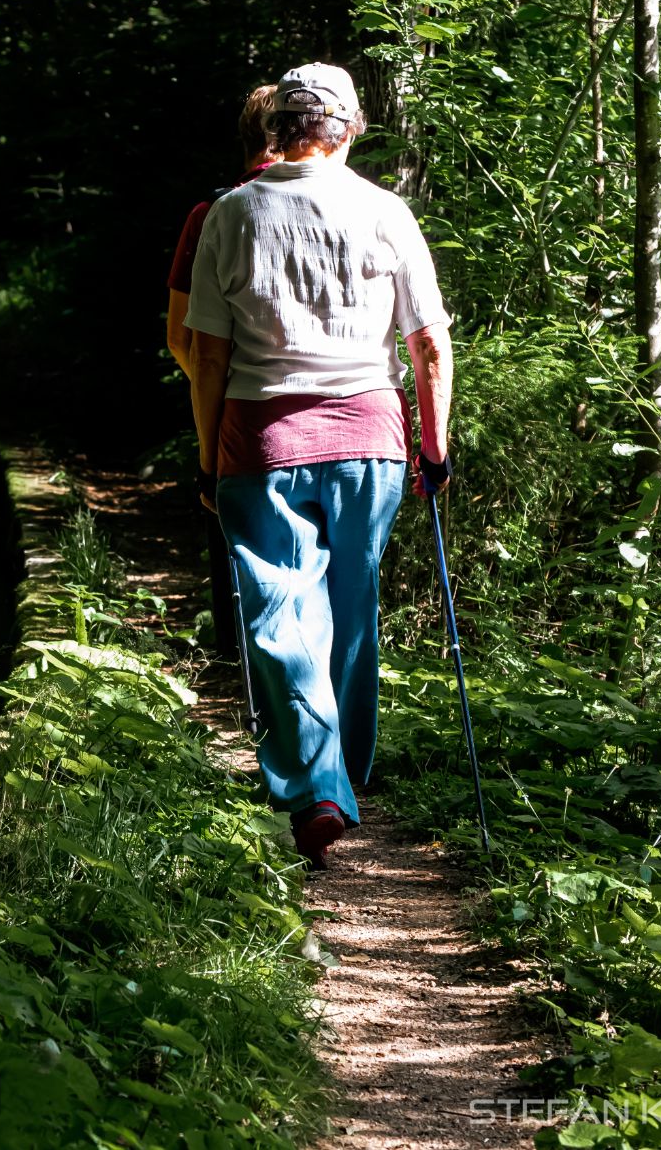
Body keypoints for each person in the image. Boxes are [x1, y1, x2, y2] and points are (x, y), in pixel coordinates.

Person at [183, 62, 454, 867]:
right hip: (371, 436)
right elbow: (429, 344)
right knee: (351, 603)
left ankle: (318, 782)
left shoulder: (232, 214)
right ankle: (342, 774)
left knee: (280, 612)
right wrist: (434, 447)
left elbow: (207, 356)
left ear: (279, 129)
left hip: (262, 438)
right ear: (348, 129)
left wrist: (207, 458)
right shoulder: (386, 210)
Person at [167, 84, 280, 660]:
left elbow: (180, 338)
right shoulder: (353, 204)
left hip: (237, 411)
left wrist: (218, 395)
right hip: (348, 413)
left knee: (239, 554)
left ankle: (245, 670)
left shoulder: (210, 213)